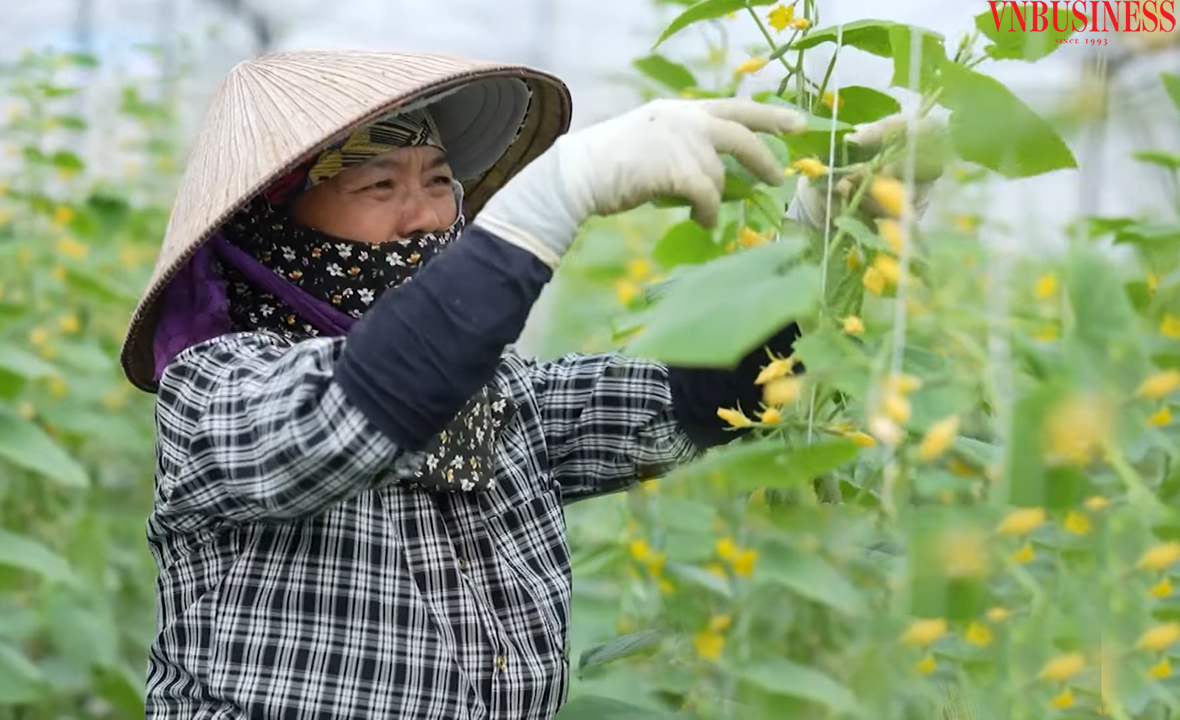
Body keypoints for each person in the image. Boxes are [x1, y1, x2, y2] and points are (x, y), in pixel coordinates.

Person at [119, 50, 805, 719]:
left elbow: (685, 403)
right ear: (272, 227)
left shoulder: (496, 397)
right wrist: (553, 196)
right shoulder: (216, 390)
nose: (425, 216)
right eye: (379, 186)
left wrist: (813, 249)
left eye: (440, 180)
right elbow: (352, 413)